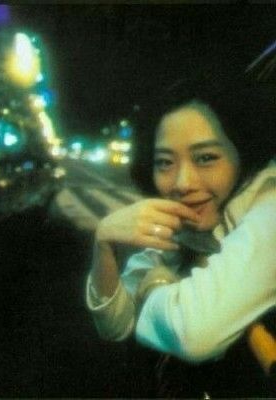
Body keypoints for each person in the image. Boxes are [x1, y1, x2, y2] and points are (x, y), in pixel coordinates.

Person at [85, 76, 276, 398]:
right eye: (165, 163)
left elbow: (193, 334)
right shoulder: (193, 227)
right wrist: (103, 243)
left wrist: (156, 285)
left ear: (244, 153)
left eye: (206, 158)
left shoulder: (269, 210)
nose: (182, 183)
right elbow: (115, 325)